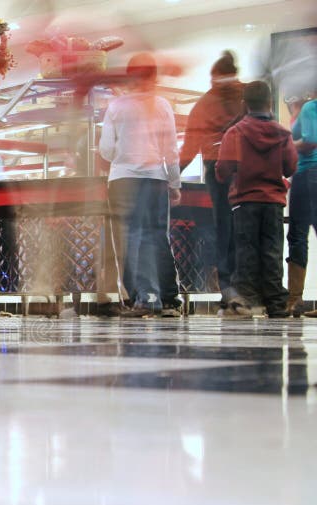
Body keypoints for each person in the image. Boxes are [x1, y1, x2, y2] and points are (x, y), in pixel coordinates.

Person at [98, 53, 183, 318]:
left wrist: (123, 155)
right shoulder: (162, 105)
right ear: (154, 76)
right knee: (159, 236)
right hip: (156, 178)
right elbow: (171, 149)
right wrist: (174, 182)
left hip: (123, 179)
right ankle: (169, 299)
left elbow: (106, 150)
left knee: (130, 239)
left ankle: (143, 299)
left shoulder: (116, 106)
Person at [216, 81, 298, 317]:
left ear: (244, 104)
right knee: (272, 251)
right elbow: (290, 167)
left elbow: (222, 170)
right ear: (270, 103)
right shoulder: (283, 133)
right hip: (273, 202)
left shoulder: (236, 132)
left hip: (245, 201)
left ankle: (247, 301)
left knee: (246, 252)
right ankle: (276, 303)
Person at [179, 51, 244, 309]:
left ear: (215, 76)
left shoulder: (206, 103)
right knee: (246, 228)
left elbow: (191, 143)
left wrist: (174, 174)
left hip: (217, 168)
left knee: (224, 227)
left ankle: (229, 287)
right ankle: (250, 286)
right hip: (246, 169)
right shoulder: (246, 95)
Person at [285, 91, 317, 318]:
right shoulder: (305, 109)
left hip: (307, 173)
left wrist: (286, 144)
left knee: (297, 234)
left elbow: (308, 142)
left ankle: (295, 300)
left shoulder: (310, 108)